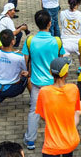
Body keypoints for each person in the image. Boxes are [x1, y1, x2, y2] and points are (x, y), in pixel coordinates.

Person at [24, 10, 65, 149]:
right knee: (54, 111)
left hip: (36, 83)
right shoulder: (57, 41)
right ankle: (57, 136)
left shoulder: (30, 40)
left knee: (34, 111)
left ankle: (30, 140)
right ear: (49, 23)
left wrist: (29, 72)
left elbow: (26, 59)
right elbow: (62, 59)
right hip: (53, 83)